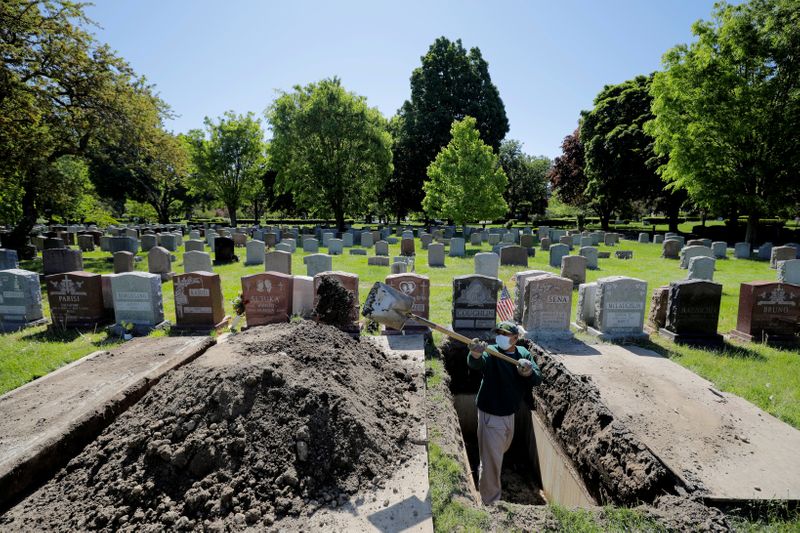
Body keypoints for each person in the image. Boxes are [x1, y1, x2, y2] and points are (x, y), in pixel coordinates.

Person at [467, 321, 543, 505]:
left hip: (509, 414)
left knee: (499, 451)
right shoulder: (491, 352)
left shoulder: (522, 354)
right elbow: (476, 363)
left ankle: (485, 471)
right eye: (498, 333)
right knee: (492, 462)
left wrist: (528, 372)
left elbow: (537, 377)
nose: (500, 336)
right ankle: (490, 502)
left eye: (505, 334)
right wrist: (475, 354)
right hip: (491, 415)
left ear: (515, 338)